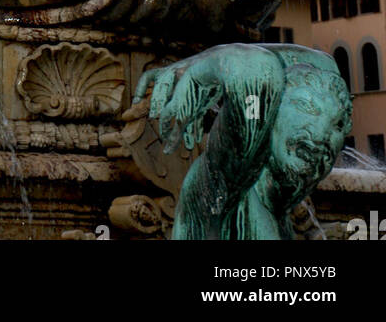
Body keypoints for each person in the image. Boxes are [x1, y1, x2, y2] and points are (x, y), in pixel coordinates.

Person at [136, 43, 352, 239]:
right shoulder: (232, 177)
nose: (322, 133)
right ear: (271, 111)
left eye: (338, 125)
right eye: (307, 107)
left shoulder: (280, 195)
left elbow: (323, 62)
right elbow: (258, 69)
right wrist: (193, 72)